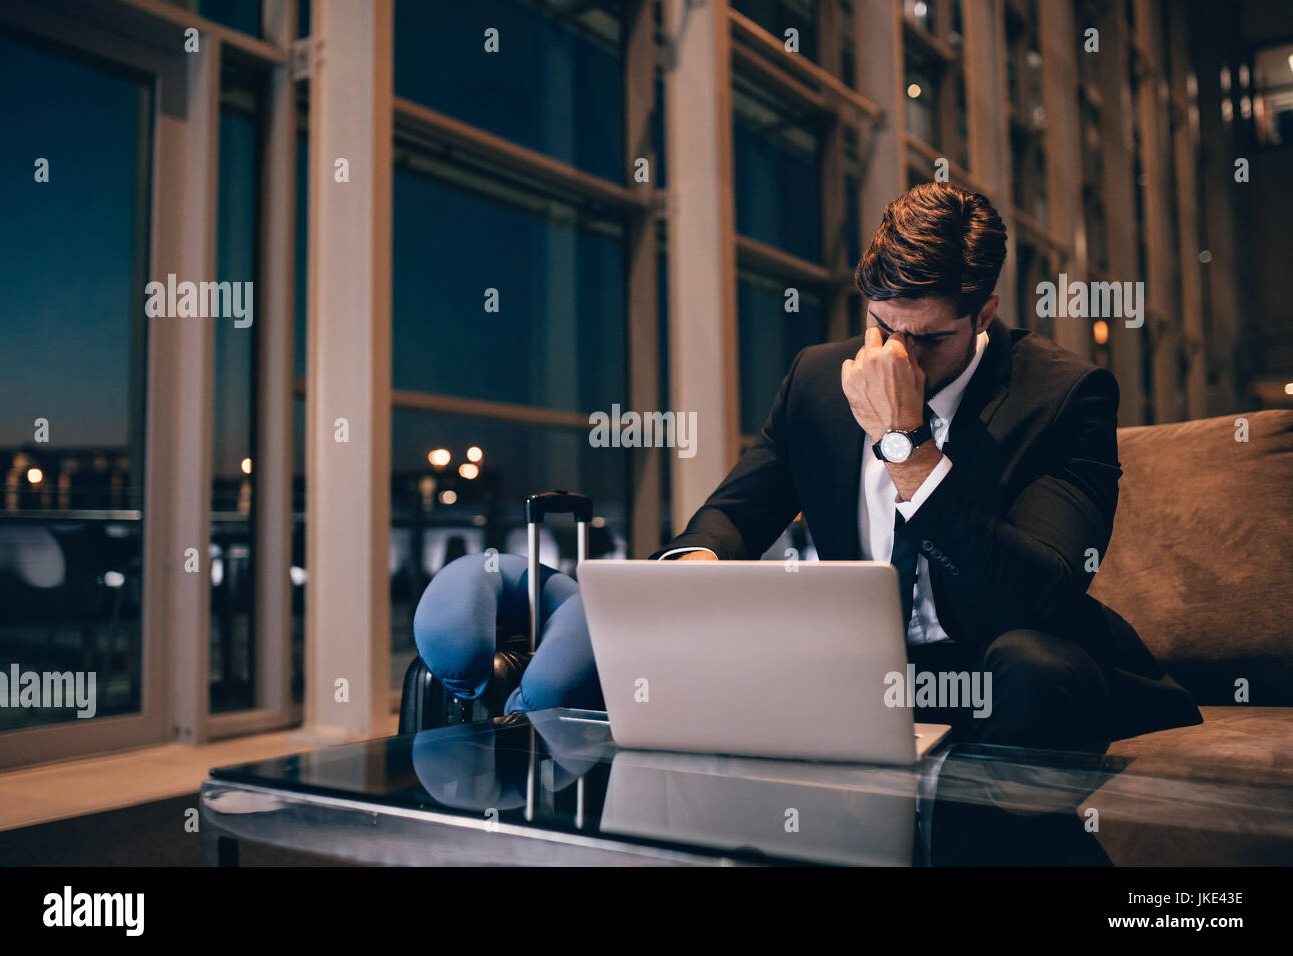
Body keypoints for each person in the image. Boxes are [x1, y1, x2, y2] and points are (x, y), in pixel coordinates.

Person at [415, 182, 1200, 747]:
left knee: (1030, 667)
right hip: (855, 669)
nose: (896, 357)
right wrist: (696, 565)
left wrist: (905, 444)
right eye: (882, 327)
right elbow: (736, 512)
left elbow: (1033, 592)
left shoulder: (1066, 396)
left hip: (1004, 667)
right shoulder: (818, 380)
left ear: (984, 312)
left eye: (925, 339)